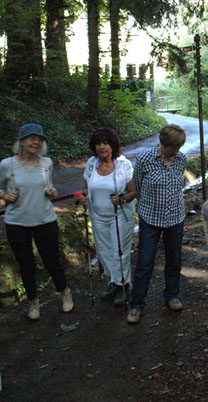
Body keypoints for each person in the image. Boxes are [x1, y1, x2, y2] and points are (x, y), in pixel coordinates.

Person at [0, 124, 73, 320]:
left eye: (39, 139)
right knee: (26, 264)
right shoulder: (7, 164)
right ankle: (33, 302)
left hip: (45, 219)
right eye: (31, 138)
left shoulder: (46, 163)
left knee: (52, 261)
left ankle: (65, 293)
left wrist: (52, 191)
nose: (36, 142)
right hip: (17, 222)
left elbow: (50, 188)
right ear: (21, 142)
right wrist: (5, 195)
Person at [127, 124, 187, 324]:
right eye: (173, 147)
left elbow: (179, 186)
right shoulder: (145, 160)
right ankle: (136, 305)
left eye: (179, 147)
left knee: (174, 259)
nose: (176, 151)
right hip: (150, 218)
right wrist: (150, 204)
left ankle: (172, 295)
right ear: (163, 144)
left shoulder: (181, 160)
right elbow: (136, 186)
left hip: (175, 218)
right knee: (144, 262)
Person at [79, 128, 136, 306]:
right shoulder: (91, 164)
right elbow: (86, 189)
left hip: (120, 215)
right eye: (98, 143)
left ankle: (124, 285)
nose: (102, 147)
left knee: (120, 252)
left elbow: (134, 192)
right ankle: (114, 282)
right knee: (104, 252)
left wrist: (122, 199)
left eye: (105, 143)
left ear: (113, 145)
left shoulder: (123, 165)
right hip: (98, 216)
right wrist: (84, 198)